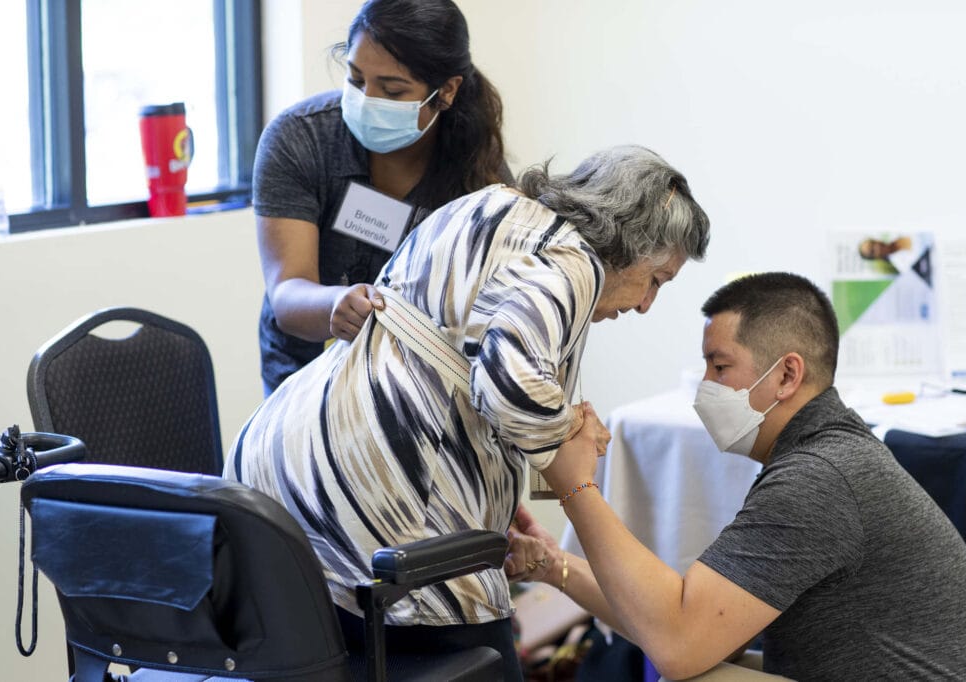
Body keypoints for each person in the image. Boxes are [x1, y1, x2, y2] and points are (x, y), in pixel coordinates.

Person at [225, 145, 710, 680]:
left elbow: (459, 370)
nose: (646, 305)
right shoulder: (576, 264)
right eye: (657, 280)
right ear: (630, 242)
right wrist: (571, 434)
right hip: (374, 501)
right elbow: (508, 383)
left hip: (281, 470)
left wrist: (495, 501)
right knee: (486, 650)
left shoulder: (496, 206)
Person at [507, 272, 966, 680]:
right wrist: (556, 565)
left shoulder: (820, 480)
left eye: (720, 366)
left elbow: (676, 642)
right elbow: (682, 621)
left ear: (787, 375)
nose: (703, 387)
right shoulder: (824, 458)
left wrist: (577, 488)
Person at [255, 0, 511, 395]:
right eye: (356, 80)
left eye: (392, 90)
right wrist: (335, 305)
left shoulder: (477, 169)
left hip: (415, 391)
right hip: (304, 385)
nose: (367, 99)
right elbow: (287, 292)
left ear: (446, 92)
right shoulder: (300, 140)